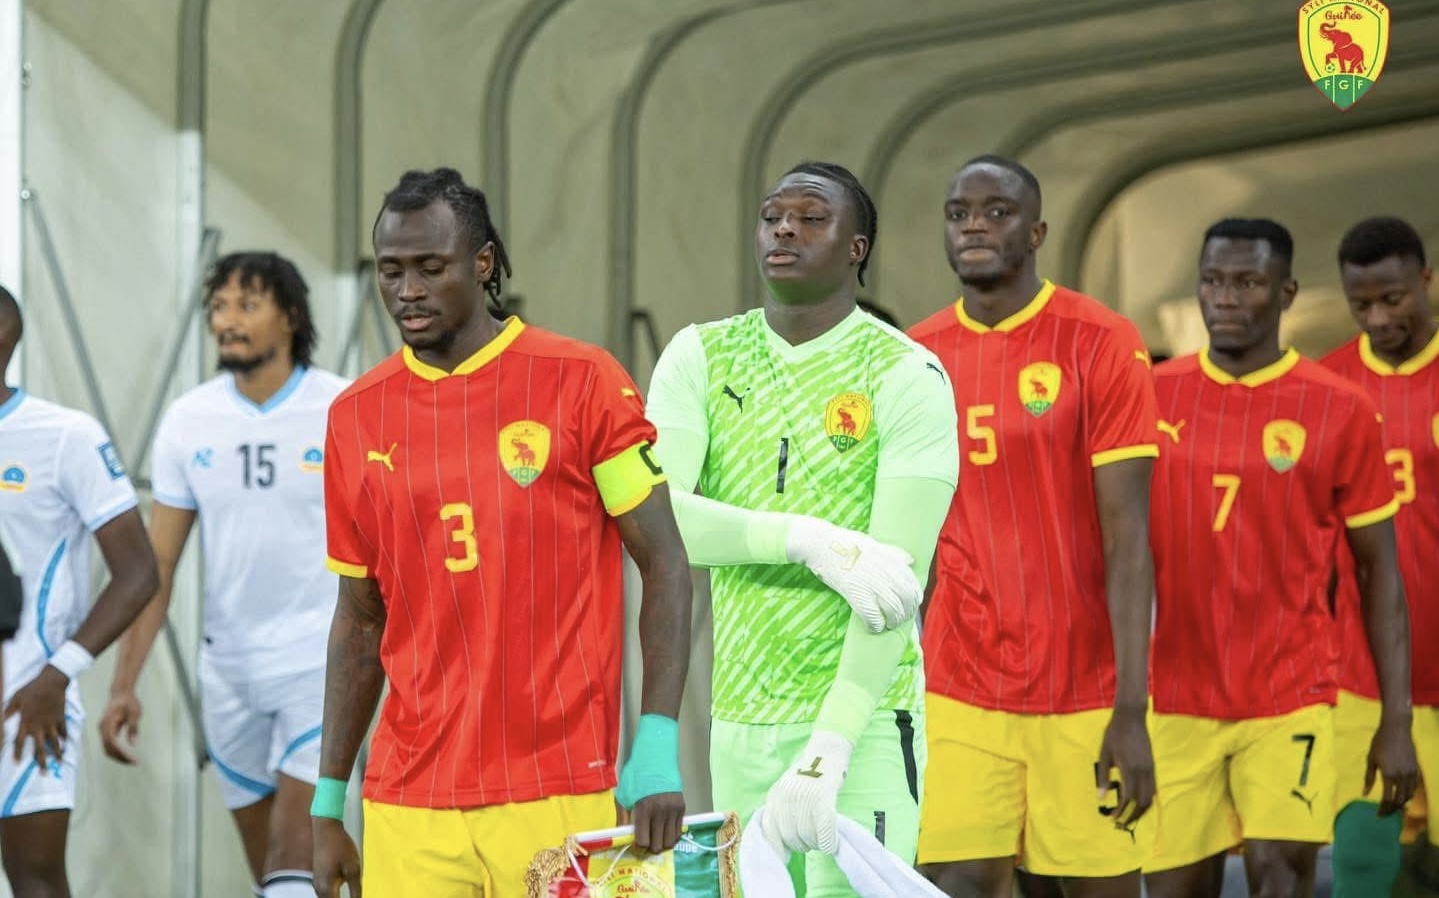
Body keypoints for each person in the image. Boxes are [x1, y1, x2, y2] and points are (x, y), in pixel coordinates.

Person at [311, 168, 693, 898]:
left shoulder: (581, 381)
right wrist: (329, 801)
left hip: (557, 785)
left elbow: (666, 562)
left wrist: (656, 744)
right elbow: (359, 621)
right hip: (407, 799)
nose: (407, 290)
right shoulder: (355, 416)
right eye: (391, 270)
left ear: (483, 264)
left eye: (431, 267)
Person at [645, 159, 958, 897]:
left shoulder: (907, 375)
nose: (784, 229)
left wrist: (831, 744)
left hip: (864, 725)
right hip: (740, 722)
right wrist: (803, 540)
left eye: (811, 218)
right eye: (771, 216)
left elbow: (893, 589)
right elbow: (656, 524)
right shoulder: (700, 354)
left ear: (856, 248)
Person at [1142, 218, 1419, 898]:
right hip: (1173, 698)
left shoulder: (1339, 407)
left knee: (1281, 876)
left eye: (1247, 282)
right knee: (1174, 887)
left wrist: (1394, 718)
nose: (1225, 297)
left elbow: (1378, 572)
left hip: (1290, 695)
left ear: (1286, 292)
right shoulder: (1150, 395)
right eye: (1212, 281)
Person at [907, 155, 1159, 898]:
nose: (975, 226)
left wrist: (1131, 709)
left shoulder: (1100, 340)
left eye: (997, 212)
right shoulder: (913, 359)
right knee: (955, 880)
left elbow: (1128, 540)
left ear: (1037, 231)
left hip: (1082, 687)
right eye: (959, 213)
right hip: (960, 682)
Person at [98, 253, 349, 897]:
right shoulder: (189, 419)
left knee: (294, 852)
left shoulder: (341, 407)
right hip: (229, 671)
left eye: (247, 305)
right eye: (217, 307)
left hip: (316, 663)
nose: (226, 321)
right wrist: (123, 684)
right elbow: (157, 564)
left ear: (290, 318)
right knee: (272, 869)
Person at [0, 285, 159, 897]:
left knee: (35, 881)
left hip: (26, 702)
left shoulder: (63, 436)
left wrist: (58, 674)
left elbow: (139, 571)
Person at [1320, 216, 1438, 896]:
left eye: (1392, 299)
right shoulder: (1328, 387)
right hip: (1360, 676)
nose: (1377, 319)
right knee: (1362, 867)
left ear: (1425, 280)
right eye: (1360, 304)